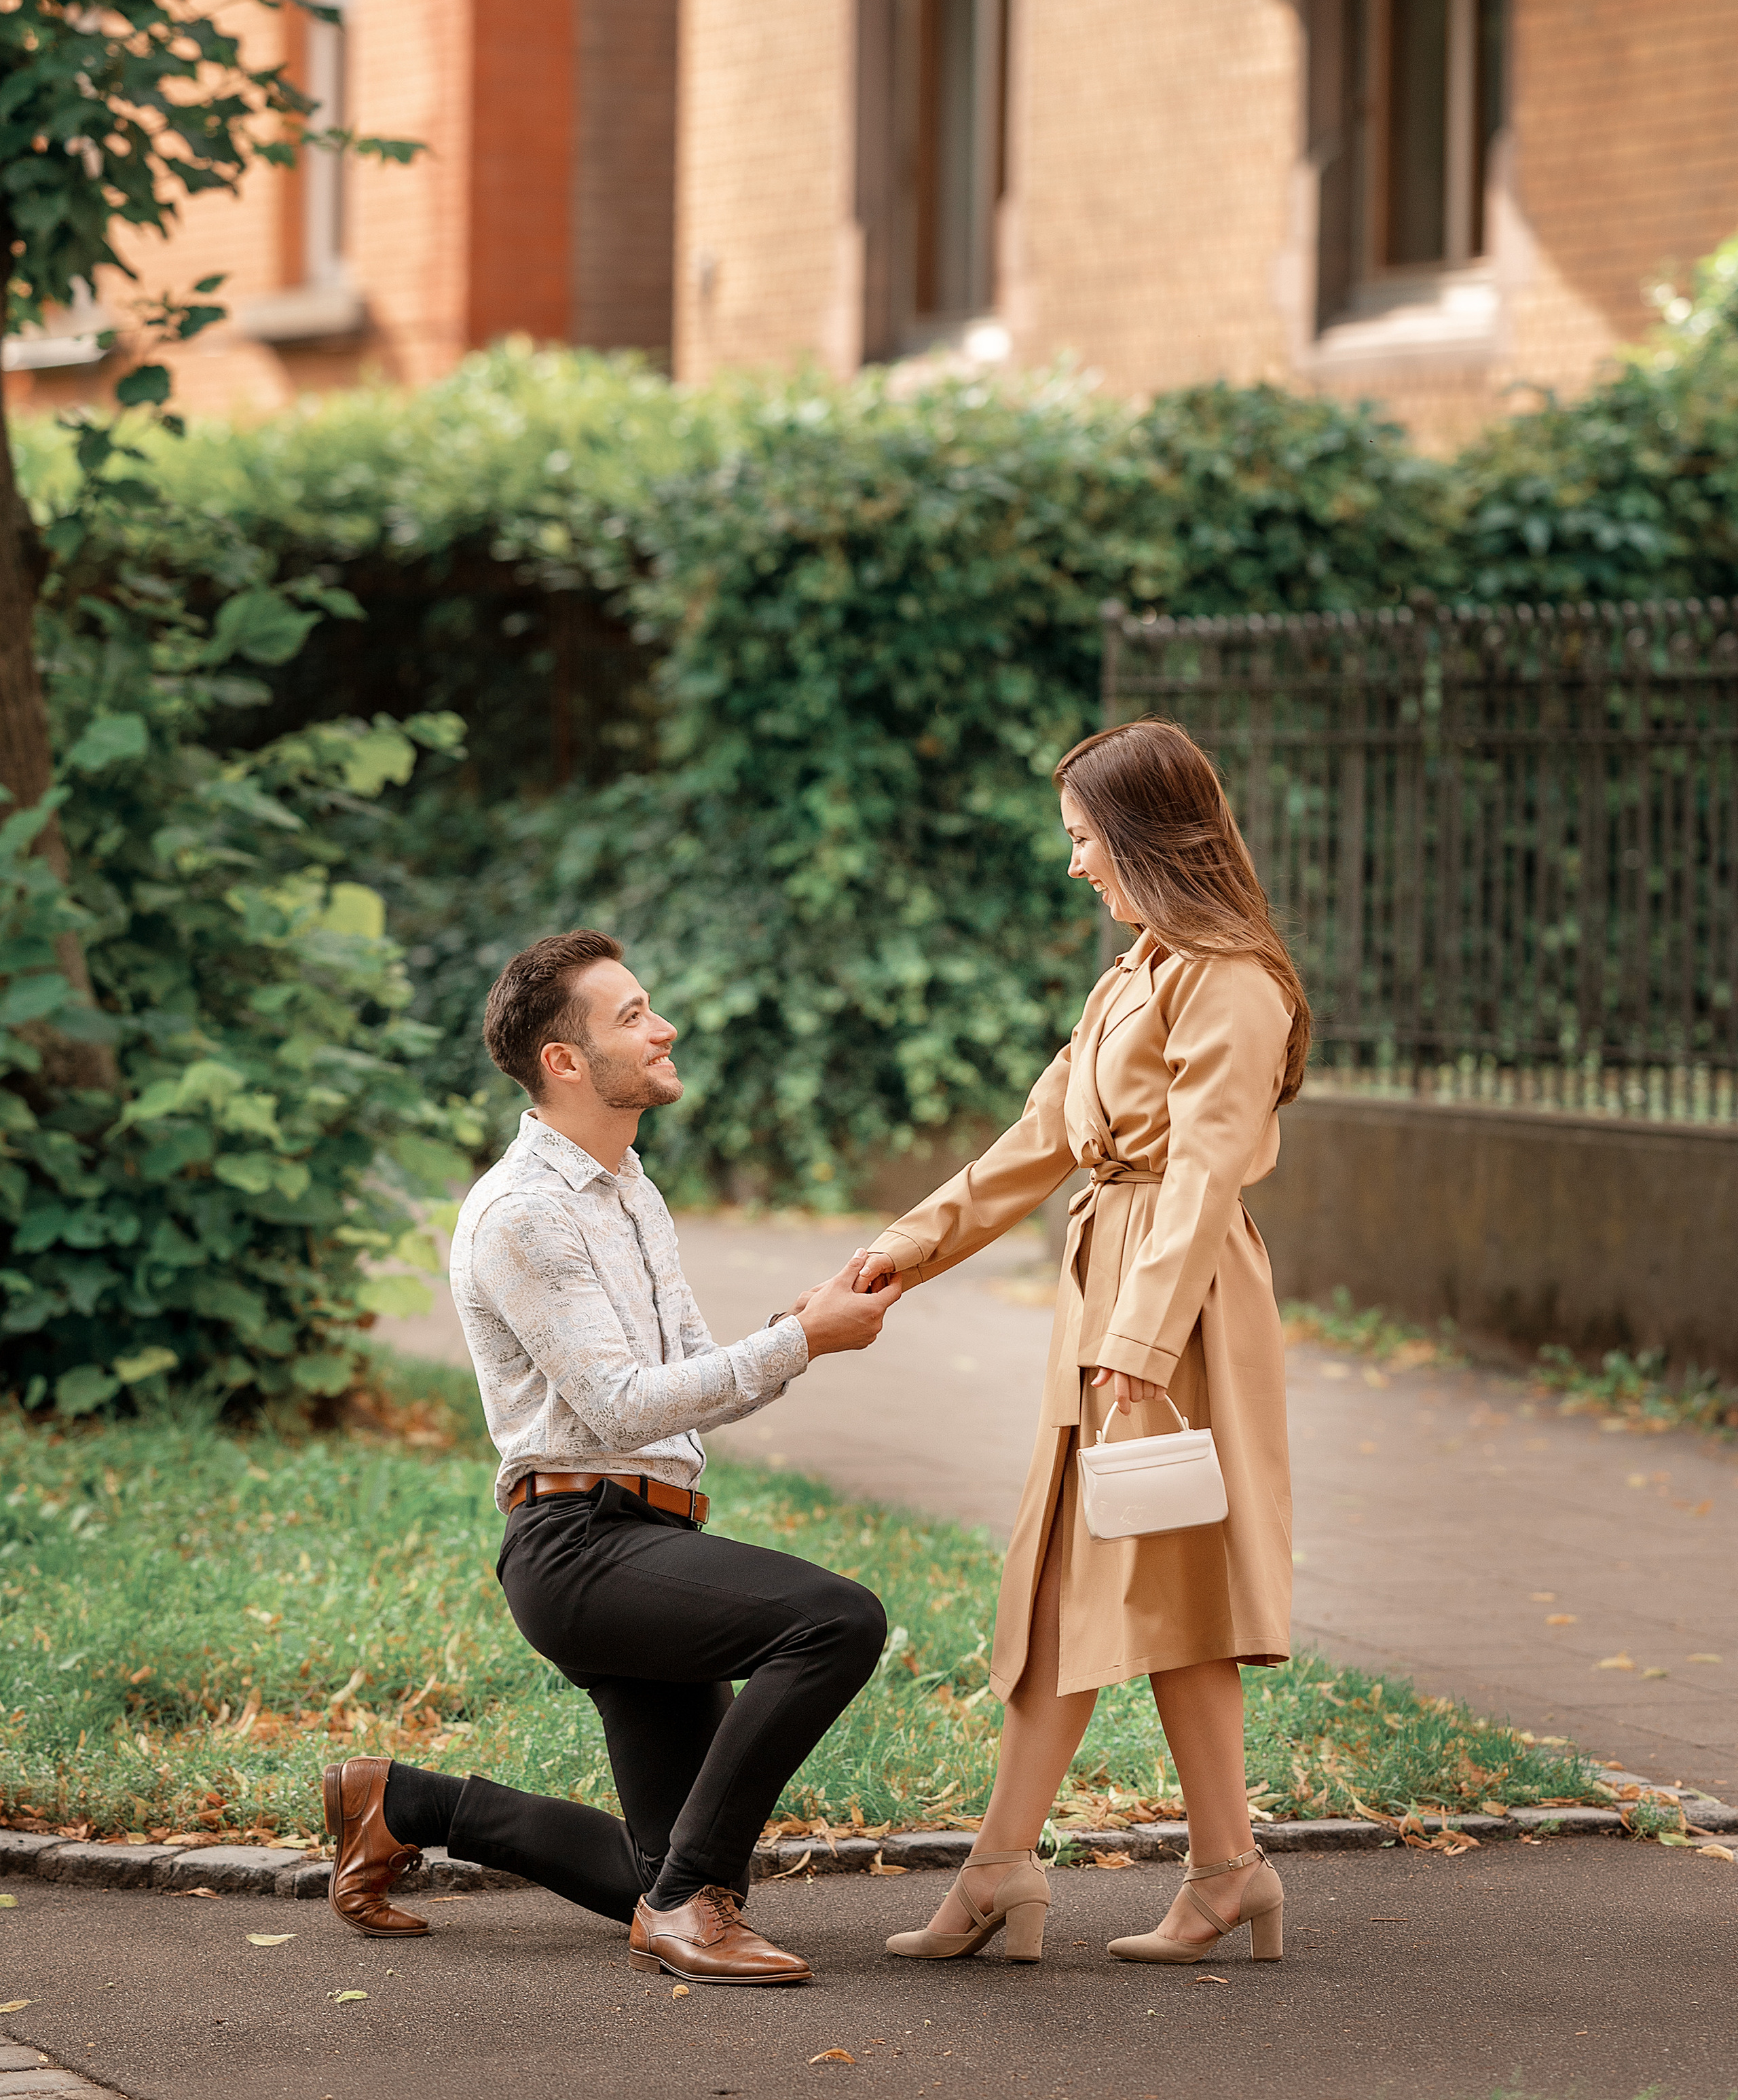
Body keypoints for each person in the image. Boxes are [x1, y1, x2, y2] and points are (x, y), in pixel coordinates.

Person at [323, 927, 901, 1987]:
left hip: (647, 1533)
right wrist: (800, 1340)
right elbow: (618, 1406)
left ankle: (403, 1802)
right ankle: (688, 1909)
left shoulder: (629, 1188)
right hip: (578, 1547)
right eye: (633, 1014)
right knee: (836, 1619)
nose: (664, 1026)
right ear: (565, 1061)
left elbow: (688, 1377)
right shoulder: (524, 1212)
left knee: (664, 1861)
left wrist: (803, 1324)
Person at [853, 718, 1309, 1968]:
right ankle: (1208, 1870)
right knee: (1095, 1581)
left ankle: (1071, 1869)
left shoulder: (1232, 981)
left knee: (1145, 1583)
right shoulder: (1135, 975)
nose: (1075, 867)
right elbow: (1038, 1138)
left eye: (1083, 839)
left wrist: (1142, 1345)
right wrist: (905, 1247)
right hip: (1116, 1290)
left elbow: (1208, 1173)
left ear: (1145, 838)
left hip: (1180, 1302)